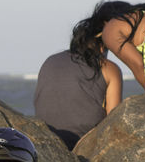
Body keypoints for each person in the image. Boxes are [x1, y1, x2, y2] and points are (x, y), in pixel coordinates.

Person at [33, 16, 124, 149]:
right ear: (102, 46)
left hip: (47, 138)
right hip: (83, 144)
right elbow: (113, 120)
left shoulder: (50, 60)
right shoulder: (108, 68)